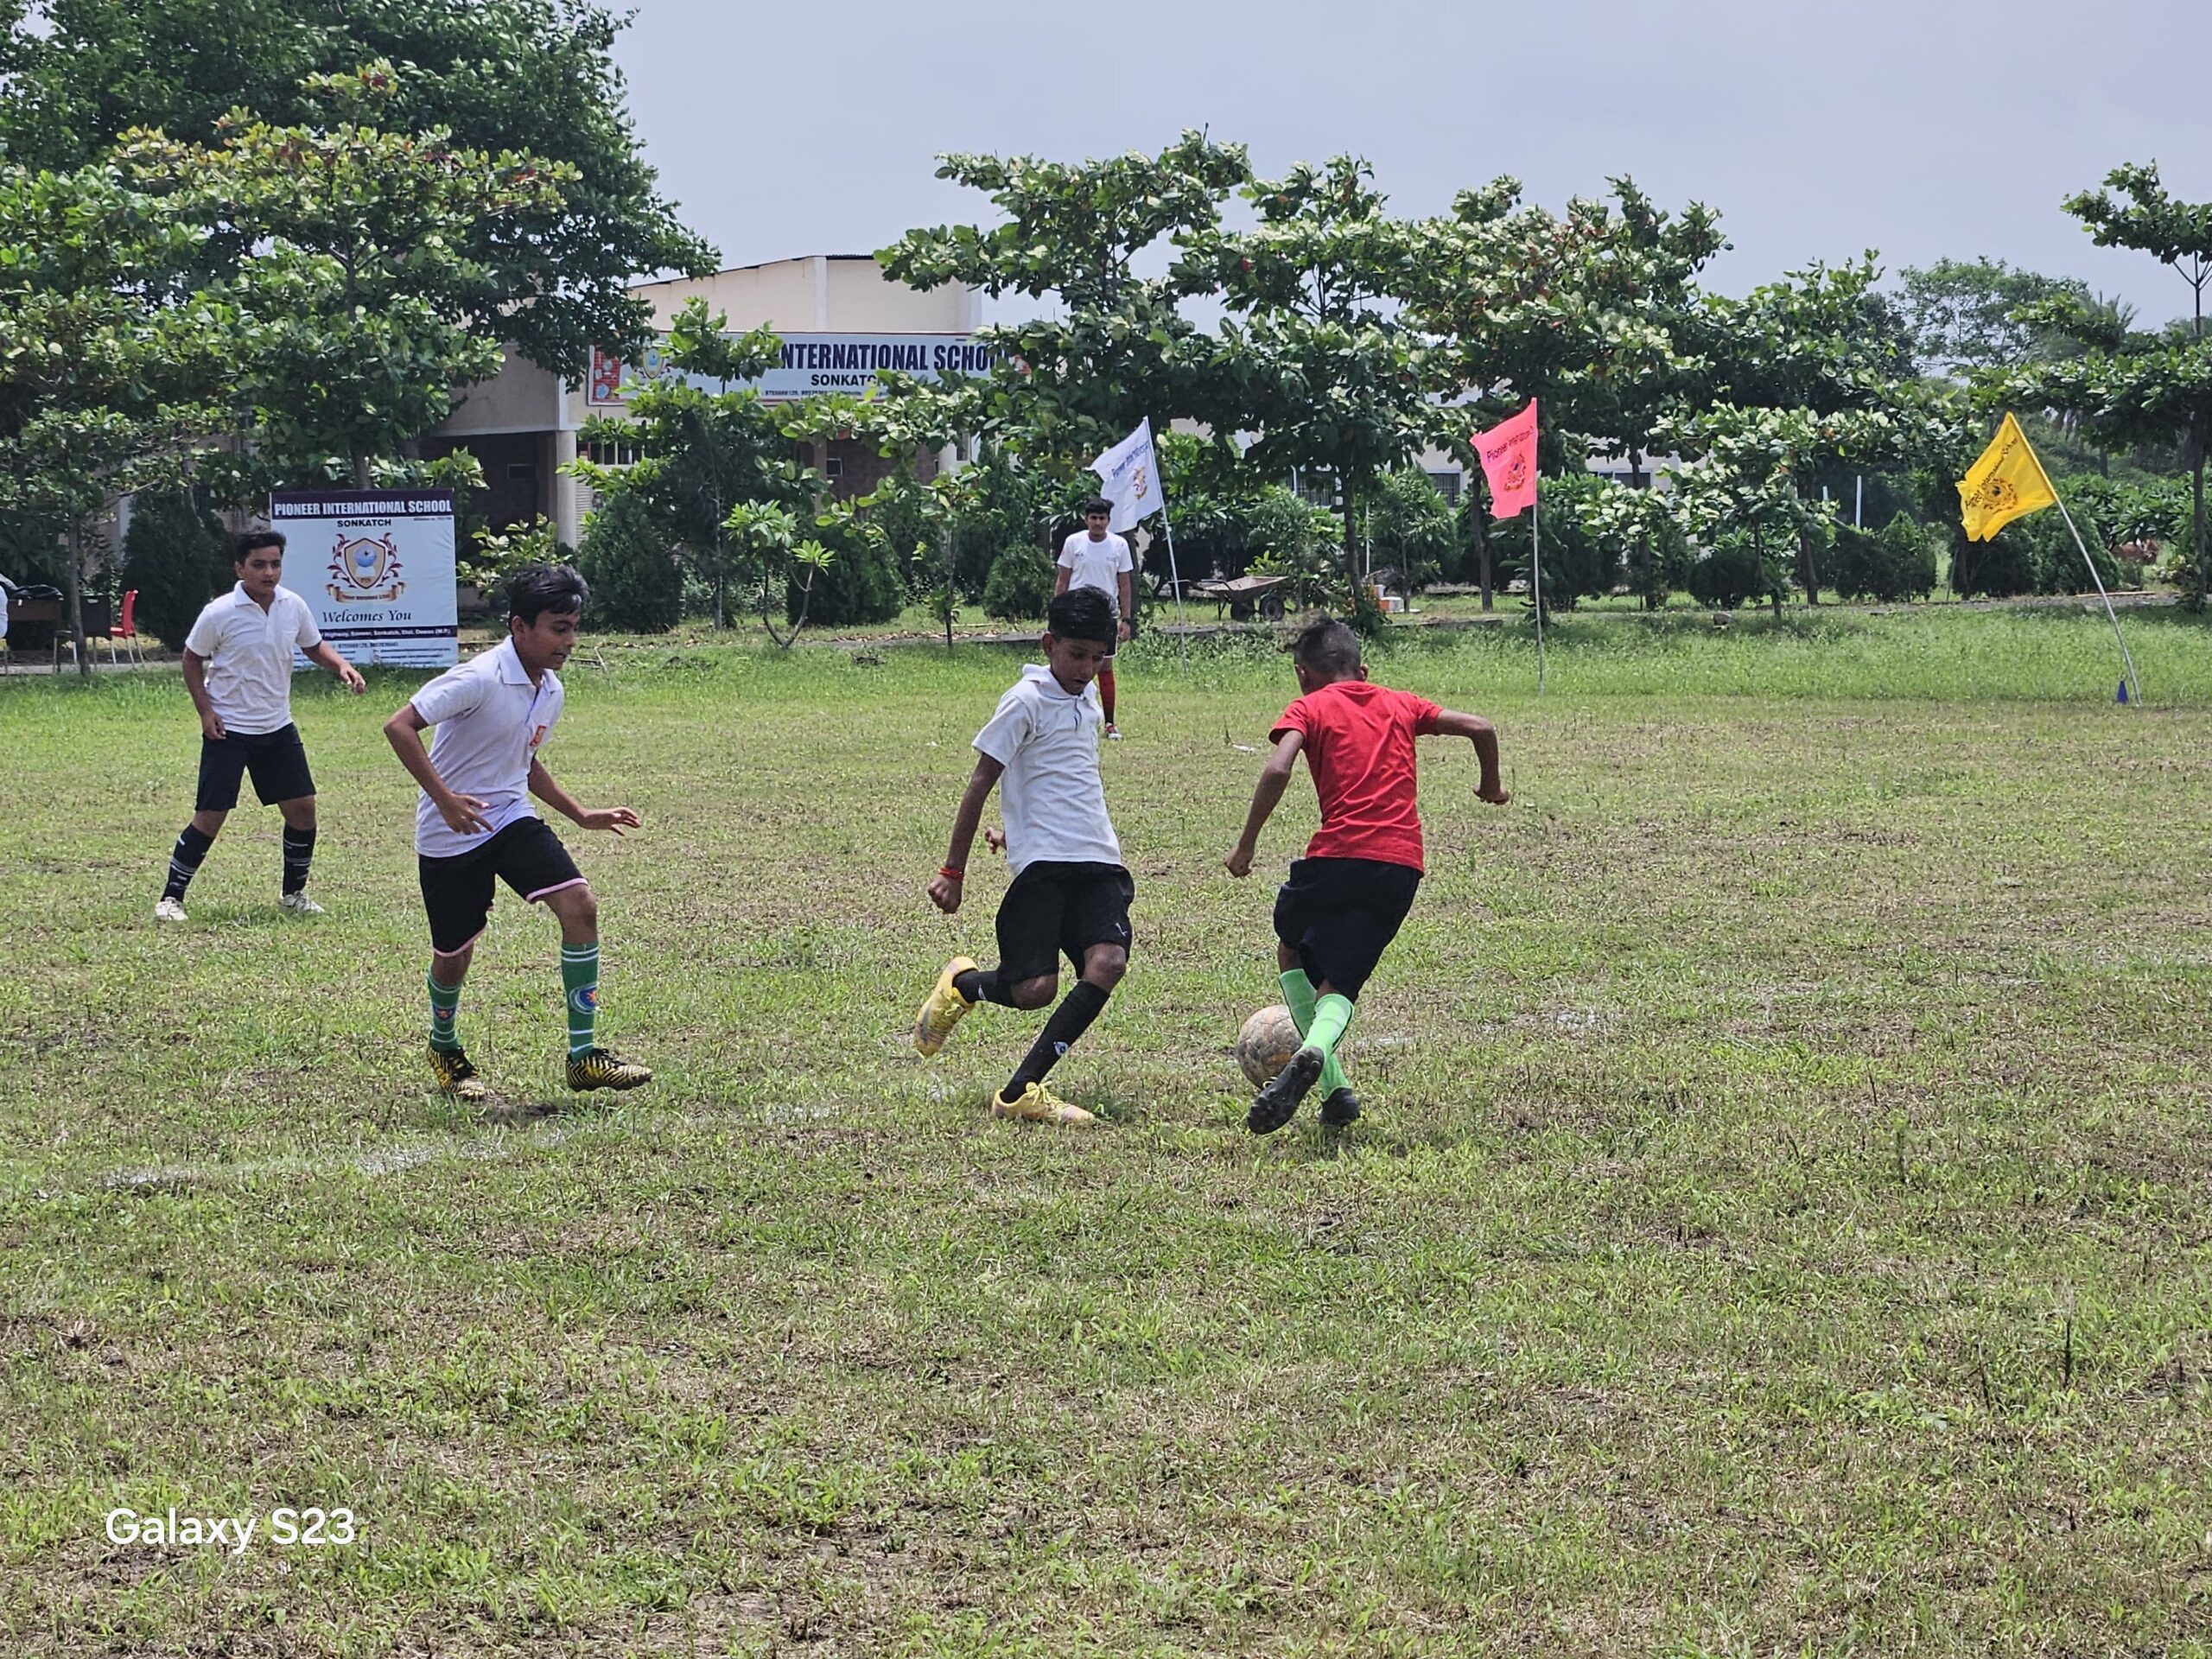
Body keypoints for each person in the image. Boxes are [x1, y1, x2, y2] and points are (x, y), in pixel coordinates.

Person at [1224, 615, 1509, 1134]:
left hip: (1336, 855)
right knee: (1340, 984)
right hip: (1400, 866)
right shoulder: (1400, 702)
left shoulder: (1308, 706)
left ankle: (1326, 1077)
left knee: (1290, 948)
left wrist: (1245, 845)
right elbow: (1481, 727)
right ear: (1364, 670)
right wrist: (1491, 786)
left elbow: (1277, 767)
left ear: (1302, 675)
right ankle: (1333, 1090)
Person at [382, 563, 650, 1101]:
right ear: (519, 626)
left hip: (508, 817)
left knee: (580, 904)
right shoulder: (477, 678)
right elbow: (399, 726)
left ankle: (583, 1056)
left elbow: (523, 762)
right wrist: (445, 799)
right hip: (451, 832)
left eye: (574, 628)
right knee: (454, 954)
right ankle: (444, 1045)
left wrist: (581, 814)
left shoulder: (550, 689)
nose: (568, 641)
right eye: (558, 627)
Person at [912, 586, 1131, 1125]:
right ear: (1049, 643)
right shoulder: (1025, 700)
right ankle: (964, 985)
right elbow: (983, 780)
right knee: (1034, 990)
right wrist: (952, 871)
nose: (1086, 668)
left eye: (1097, 657)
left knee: (1108, 963)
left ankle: (1021, 1091)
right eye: (1076, 654)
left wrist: (1019, 829)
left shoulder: (1085, 697)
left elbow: (1063, 780)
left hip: (1099, 858)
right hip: (1045, 872)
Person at [156, 530, 365, 922]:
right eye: (259, 565)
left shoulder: (293, 605)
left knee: (303, 810)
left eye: (275, 564)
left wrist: (341, 666)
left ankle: (293, 894)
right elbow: (190, 659)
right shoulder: (219, 612)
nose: (269, 572)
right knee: (211, 814)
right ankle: (171, 898)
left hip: (277, 727)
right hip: (229, 729)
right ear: (240, 568)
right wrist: (205, 712)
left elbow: (312, 645)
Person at [1054, 497, 1134, 738]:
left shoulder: (1119, 545)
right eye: (1093, 518)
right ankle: (1067, 719)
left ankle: (1109, 723)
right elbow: (1063, 580)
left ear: (1109, 520)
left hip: (1105, 615)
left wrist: (1126, 619)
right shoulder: (1073, 542)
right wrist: (1057, 613)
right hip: (1077, 613)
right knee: (1069, 666)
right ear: (1086, 519)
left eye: (1102, 518)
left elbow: (1124, 584)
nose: (1097, 523)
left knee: (1104, 666)